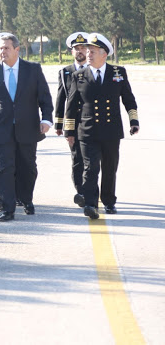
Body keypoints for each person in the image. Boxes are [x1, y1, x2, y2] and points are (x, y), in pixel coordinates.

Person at [0, 33, 53, 221]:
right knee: (4, 168)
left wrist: (47, 120)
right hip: (0, 129)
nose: (2, 52)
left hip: (28, 128)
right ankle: (8, 207)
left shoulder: (32, 70)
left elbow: (45, 98)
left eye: (6, 48)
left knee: (28, 167)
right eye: (0, 48)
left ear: (17, 50)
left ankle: (26, 199)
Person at [63, 33, 139, 219]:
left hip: (111, 131)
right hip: (87, 131)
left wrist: (134, 121)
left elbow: (128, 99)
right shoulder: (78, 75)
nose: (88, 54)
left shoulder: (118, 73)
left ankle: (109, 201)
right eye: (87, 50)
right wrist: (69, 131)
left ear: (104, 54)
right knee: (90, 168)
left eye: (93, 51)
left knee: (109, 167)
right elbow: (71, 106)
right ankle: (90, 204)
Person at [54, 32, 89, 207]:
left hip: (91, 121)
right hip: (73, 122)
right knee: (77, 159)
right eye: (77, 48)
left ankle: (91, 190)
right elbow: (61, 100)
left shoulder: (94, 69)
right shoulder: (65, 72)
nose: (80, 51)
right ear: (71, 51)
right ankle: (81, 191)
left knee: (93, 159)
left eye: (83, 48)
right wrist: (60, 124)